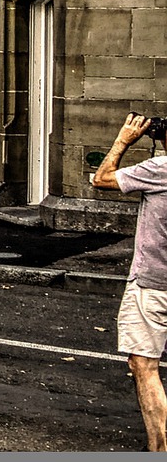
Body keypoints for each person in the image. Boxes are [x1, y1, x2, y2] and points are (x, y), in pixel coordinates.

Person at [92, 113, 167, 451]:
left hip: (154, 283)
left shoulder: (159, 170)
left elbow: (102, 179)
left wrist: (124, 140)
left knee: (144, 363)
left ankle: (159, 449)